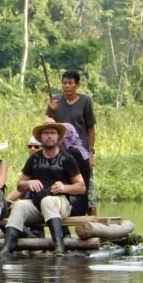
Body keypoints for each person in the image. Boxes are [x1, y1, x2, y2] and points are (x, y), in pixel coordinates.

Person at [0, 121, 86, 256]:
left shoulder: (67, 158)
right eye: (46, 133)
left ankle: (59, 246)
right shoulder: (34, 158)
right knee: (20, 205)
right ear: (41, 137)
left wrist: (64, 187)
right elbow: (20, 184)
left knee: (48, 201)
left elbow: (81, 187)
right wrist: (29, 183)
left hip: (60, 203)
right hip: (36, 204)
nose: (49, 136)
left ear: (58, 137)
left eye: (53, 133)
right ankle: (8, 247)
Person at [46, 70, 97, 214]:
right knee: (63, 185)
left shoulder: (85, 101)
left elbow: (91, 128)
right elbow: (48, 123)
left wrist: (91, 152)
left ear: (77, 85)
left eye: (70, 83)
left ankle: (92, 223)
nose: (66, 86)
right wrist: (51, 110)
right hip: (61, 152)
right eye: (64, 83)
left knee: (88, 188)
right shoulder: (55, 100)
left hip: (81, 153)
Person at [60, 122, 92, 217]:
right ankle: (64, 232)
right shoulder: (80, 150)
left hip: (75, 201)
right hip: (81, 201)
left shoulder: (71, 153)